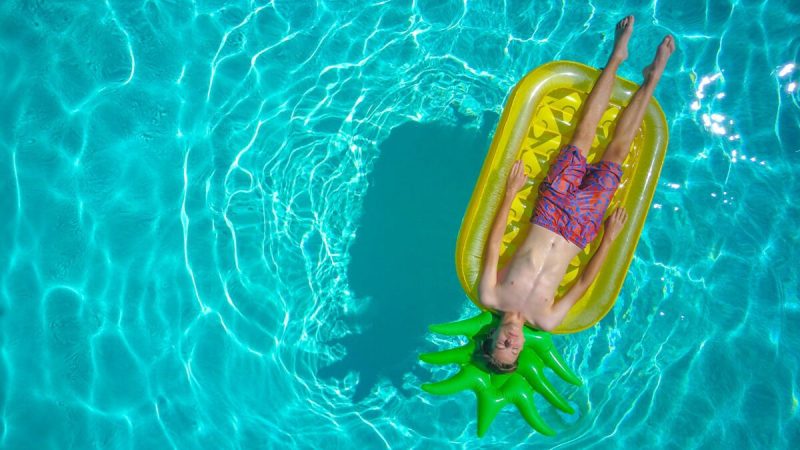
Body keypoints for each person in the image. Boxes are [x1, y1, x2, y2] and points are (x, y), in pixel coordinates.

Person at [478, 15, 675, 373]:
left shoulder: (490, 296)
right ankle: (652, 79)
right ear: (522, 349)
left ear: (489, 339)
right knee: (617, 153)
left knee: (583, 135)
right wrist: (608, 239)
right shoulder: (547, 319)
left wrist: (509, 195)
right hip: (580, 227)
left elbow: (493, 246)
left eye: (501, 345)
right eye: (514, 350)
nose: (511, 342)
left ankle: (617, 57)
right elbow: (584, 281)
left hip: (548, 212)